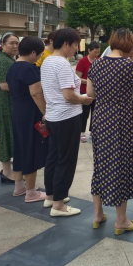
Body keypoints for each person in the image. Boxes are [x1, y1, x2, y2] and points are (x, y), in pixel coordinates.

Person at [87, 29, 133, 234]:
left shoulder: (96, 64)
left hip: (101, 119)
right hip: (122, 121)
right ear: (129, 45)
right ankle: (121, 220)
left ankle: (97, 215)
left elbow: (90, 93)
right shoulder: (129, 65)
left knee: (100, 164)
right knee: (122, 165)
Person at [41, 28, 94, 217]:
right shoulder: (62, 64)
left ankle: (51, 196)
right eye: (75, 45)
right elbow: (69, 95)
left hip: (53, 117)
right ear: (65, 44)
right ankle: (58, 205)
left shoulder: (47, 61)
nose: (76, 49)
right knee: (66, 160)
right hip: (67, 117)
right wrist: (84, 99)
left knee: (53, 157)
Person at [6, 36, 49, 202]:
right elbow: (36, 93)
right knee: (31, 149)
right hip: (31, 113)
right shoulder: (30, 69)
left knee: (20, 148)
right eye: (40, 54)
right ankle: (31, 192)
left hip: (17, 112)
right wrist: (46, 112)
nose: (40, 57)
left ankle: (19, 186)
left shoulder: (13, 67)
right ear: (32, 52)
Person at [0, 32, 19, 185]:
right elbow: (4, 85)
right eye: (11, 43)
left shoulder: (9, 59)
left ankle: (9, 171)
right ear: (3, 45)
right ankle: (7, 173)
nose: (15, 46)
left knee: (10, 135)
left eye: (17, 43)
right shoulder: (4, 61)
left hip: (9, 103)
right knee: (6, 136)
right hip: (5, 104)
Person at [76, 41, 100, 143]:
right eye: (95, 52)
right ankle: (82, 132)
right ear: (89, 50)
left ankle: (92, 131)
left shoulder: (99, 61)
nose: (97, 54)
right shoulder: (82, 62)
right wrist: (89, 81)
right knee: (84, 113)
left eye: (98, 52)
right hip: (84, 91)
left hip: (96, 92)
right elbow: (77, 78)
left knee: (95, 113)